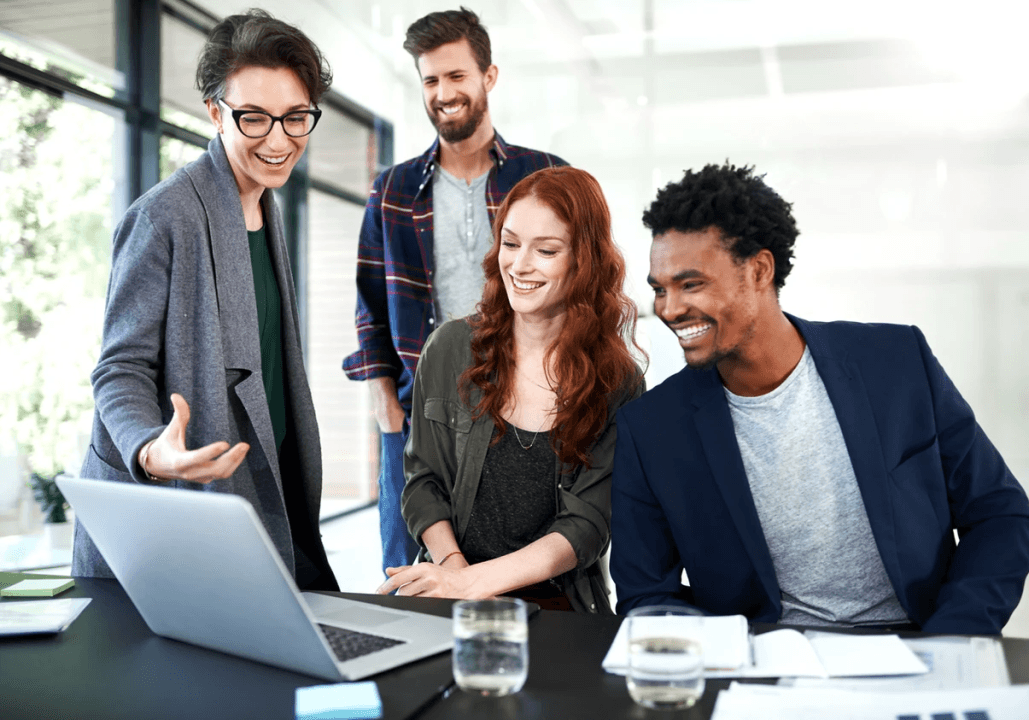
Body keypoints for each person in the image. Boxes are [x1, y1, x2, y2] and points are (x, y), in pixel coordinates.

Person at [610, 162, 1029, 634]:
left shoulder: (895, 363)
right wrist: (727, 652)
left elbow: (999, 513)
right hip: (763, 666)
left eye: (691, 284)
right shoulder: (652, 428)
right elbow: (646, 593)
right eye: (659, 290)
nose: (670, 309)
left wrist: (955, 640)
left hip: (915, 647)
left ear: (759, 270)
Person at [72, 10, 338, 591]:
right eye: (254, 118)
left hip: (260, 488)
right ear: (216, 112)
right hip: (174, 508)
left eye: (295, 118)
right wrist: (149, 450)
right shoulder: (163, 216)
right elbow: (120, 368)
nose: (278, 139)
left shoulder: (266, 209)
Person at [342, 7, 567, 576]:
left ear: (488, 77)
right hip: (422, 410)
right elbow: (370, 304)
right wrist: (384, 405)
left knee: (531, 572)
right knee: (407, 570)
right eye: (431, 80)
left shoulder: (545, 177)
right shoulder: (392, 190)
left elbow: (579, 287)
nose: (444, 92)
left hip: (530, 406)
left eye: (457, 76)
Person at [374, 167, 643, 613]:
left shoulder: (618, 381)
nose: (519, 265)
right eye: (511, 243)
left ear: (585, 260)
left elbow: (588, 524)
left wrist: (476, 584)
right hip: (449, 579)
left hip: (558, 604)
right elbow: (422, 483)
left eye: (547, 250)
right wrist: (457, 574)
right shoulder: (448, 349)